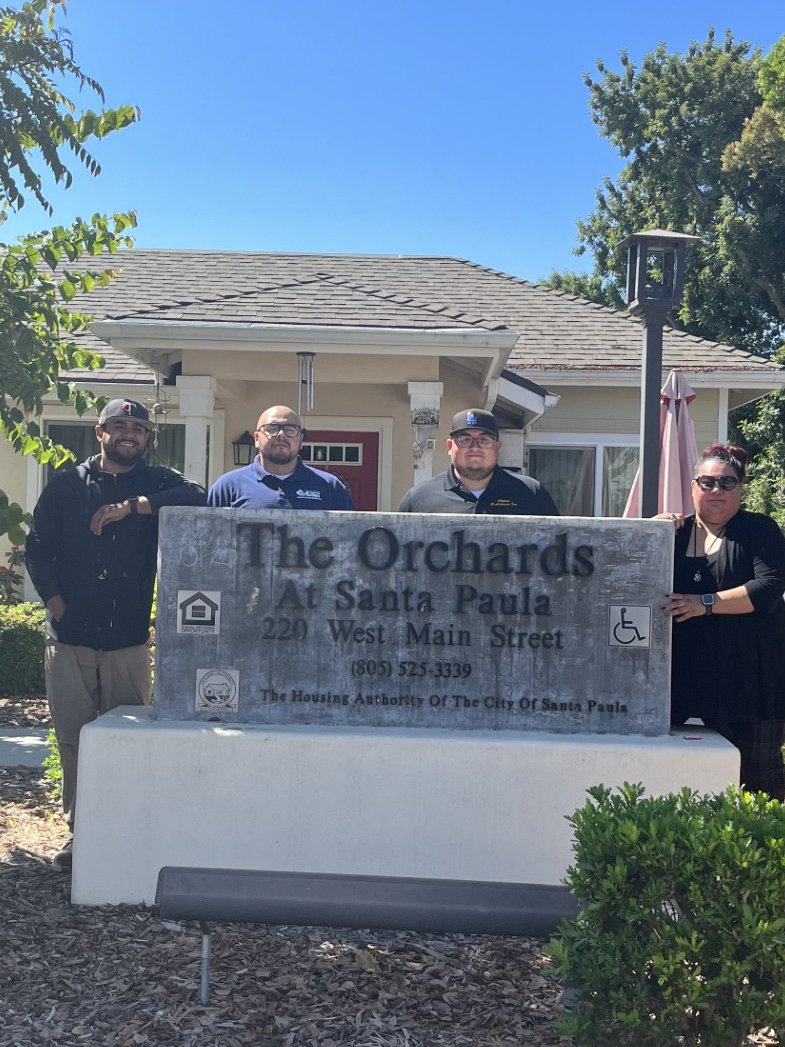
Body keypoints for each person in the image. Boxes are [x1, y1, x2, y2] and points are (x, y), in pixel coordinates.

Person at [25, 398, 207, 868]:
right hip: (70, 639)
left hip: (128, 640)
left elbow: (200, 497)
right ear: (100, 431)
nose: (130, 434)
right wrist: (55, 602)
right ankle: (80, 833)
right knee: (74, 739)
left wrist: (136, 507)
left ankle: (127, 831)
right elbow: (38, 548)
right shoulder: (67, 484)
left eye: (139, 428)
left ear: (148, 438)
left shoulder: (159, 482)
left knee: (129, 741)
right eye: (120, 425)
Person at [664, 444, 785, 799]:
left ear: (741, 488)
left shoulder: (759, 530)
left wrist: (705, 603)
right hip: (683, 686)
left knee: (760, 784)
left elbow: (767, 589)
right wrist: (648, 533)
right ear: (692, 487)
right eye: (708, 482)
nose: (717, 490)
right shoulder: (672, 534)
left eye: (727, 483)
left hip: (751, 684)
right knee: (683, 784)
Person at [398, 408, 558, 515]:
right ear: (449, 446)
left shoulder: (531, 493)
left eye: (484, 440)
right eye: (465, 439)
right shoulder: (419, 499)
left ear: (497, 446)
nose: (475, 447)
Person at [208, 405, 355, 509]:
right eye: (272, 428)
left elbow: (349, 541)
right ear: (257, 438)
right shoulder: (228, 486)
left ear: (301, 440)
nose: (281, 434)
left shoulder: (330, 486)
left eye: (290, 429)